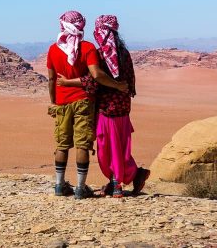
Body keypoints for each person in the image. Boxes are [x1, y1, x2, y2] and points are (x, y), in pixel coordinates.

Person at [57, 14, 149, 197]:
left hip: (107, 109)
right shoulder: (124, 54)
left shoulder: (101, 55)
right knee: (119, 146)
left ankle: (117, 184)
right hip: (122, 107)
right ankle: (130, 176)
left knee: (108, 148)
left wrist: (68, 83)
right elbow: (130, 81)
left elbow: (93, 80)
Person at [46, 11, 131, 199]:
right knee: (83, 145)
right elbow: (96, 75)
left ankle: (59, 187)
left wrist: (53, 101)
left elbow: (51, 79)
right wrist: (118, 85)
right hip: (84, 101)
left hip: (62, 102)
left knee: (62, 144)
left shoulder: (53, 49)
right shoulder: (87, 48)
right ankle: (80, 188)